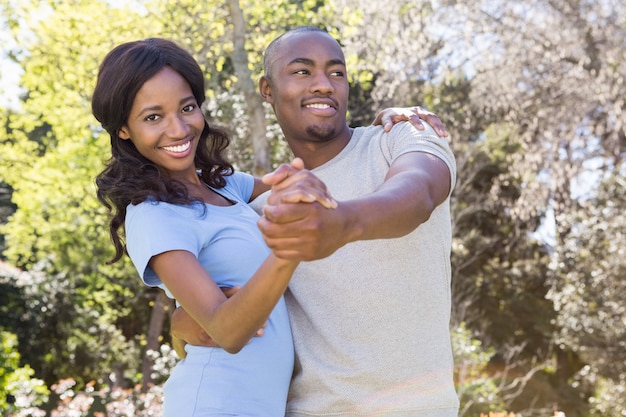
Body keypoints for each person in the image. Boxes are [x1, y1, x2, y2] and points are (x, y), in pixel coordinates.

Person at [92, 38, 440, 416]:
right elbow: (226, 331)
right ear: (123, 128)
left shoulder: (225, 185)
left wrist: (381, 130)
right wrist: (291, 246)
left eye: (187, 108)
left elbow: (309, 177)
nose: (178, 129)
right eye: (153, 117)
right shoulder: (152, 214)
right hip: (214, 403)